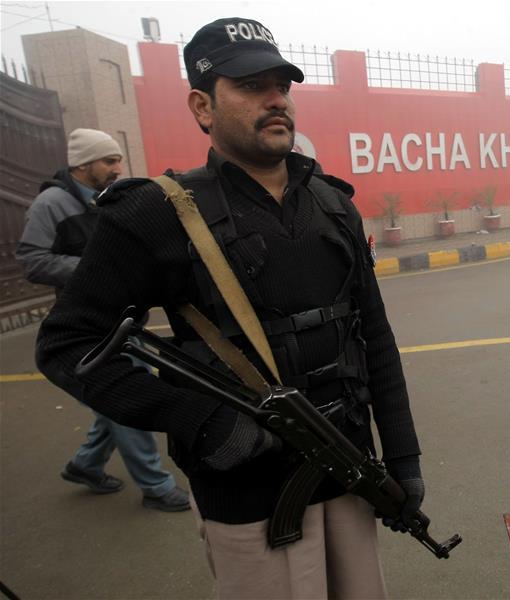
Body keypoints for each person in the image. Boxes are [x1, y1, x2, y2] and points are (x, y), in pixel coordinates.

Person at [35, 18, 423, 599]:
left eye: (282, 86)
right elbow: (67, 345)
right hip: (247, 495)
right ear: (202, 106)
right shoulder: (155, 214)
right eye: (250, 86)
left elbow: (374, 338)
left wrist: (404, 456)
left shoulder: (334, 206)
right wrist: (197, 418)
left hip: (348, 470)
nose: (275, 100)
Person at [17, 128, 190, 512]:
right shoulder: (51, 204)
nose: (118, 167)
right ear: (83, 164)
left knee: (111, 400)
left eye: (118, 160)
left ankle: (85, 465)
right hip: (92, 326)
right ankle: (156, 487)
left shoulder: (108, 199)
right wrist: (96, 269)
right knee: (127, 396)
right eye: (109, 161)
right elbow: (31, 259)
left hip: (128, 322)